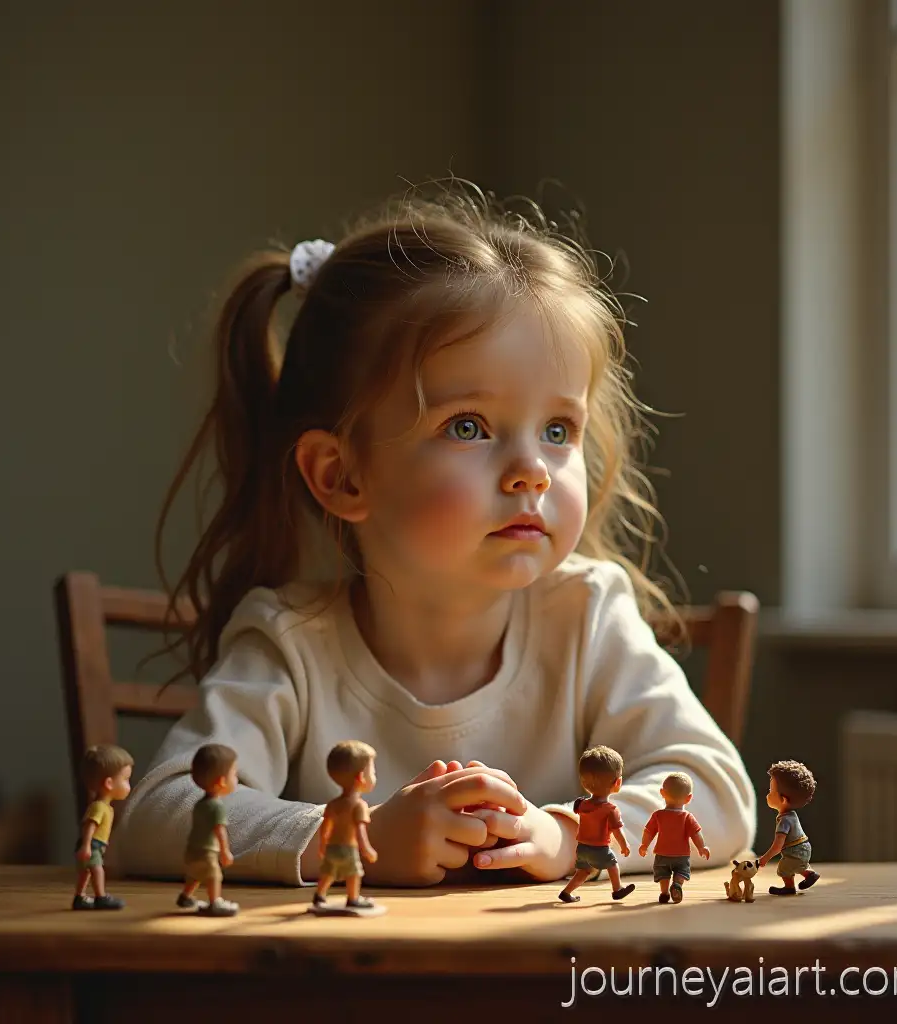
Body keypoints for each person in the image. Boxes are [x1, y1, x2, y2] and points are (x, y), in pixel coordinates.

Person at [114, 179, 756, 890]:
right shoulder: (290, 641)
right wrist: (353, 835)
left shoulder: (588, 616)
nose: (532, 473)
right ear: (341, 476)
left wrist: (570, 832)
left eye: (557, 430)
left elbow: (718, 789)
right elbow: (158, 812)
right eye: (468, 427)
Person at [310, 740, 381, 915]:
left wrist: (322, 845)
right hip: (348, 849)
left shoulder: (333, 804)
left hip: (332, 848)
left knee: (328, 872)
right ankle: (353, 898)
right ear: (360, 777)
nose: (374, 775)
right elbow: (359, 831)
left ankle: (319, 894)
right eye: (372, 771)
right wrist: (367, 849)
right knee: (354, 873)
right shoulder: (359, 805)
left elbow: (325, 826)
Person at [558, 746, 634, 903]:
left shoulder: (581, 804)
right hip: (599, 848)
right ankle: (617, 889)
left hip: (582, 848)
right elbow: (617, 830)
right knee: (613, 865)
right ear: (617, 783)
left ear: (584, 783)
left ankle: (566, 892)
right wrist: (624, 845)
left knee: (583, 872)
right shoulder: (610, 809)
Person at [177, 743, 240, 915]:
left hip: (192, 849)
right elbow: (219, 830)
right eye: (234, 774)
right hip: (207, 851)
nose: (237, 779)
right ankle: (215, 903)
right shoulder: (216, 807)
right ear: (221, 781)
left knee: (195, 875)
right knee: (214, 876)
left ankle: (185, 896)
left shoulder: (200, 804)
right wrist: (225, 851)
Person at [74, 744, 134, 909]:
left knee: (86, 872)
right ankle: (101, 897)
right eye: (125, 779)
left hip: (94, 846)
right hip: (91, 845)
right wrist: (86, 846)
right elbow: (89, 826)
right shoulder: (99, 807)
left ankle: (79, 897)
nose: (128, 785)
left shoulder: (105, 807)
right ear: (109, 783)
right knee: (97, 870)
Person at [638, 771, 710, 903]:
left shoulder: (658, 815)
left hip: (662, 853)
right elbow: (696, 833)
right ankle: (677, 884)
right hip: (681, 855)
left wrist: (644, 845)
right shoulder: (687, 817)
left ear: (662, 793)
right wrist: (702, 847)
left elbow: (648, 831)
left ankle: (664, 892)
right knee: (681, 872)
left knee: (663, 873)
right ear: (689, 798)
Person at [757, 760, 819, 895]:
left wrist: (764, 859)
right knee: (796, 863)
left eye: (771, 791)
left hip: (795, 850)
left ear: (783, 800)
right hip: (804, 847)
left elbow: (777, 846)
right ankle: (810, 874)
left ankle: (789, 887)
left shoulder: (784, 821)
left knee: (784, 868)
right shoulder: (792, 815)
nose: (767, 795)